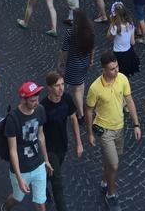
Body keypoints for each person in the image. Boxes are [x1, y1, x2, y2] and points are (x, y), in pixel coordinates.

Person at [85, 51, 142, 210]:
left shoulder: (122, 79)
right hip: (104, 130)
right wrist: (89, 133)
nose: (116, 71)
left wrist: (136, 124)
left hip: (120, 128)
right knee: (114, 165)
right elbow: (89, 111)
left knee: (111, 161)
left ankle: (105, 181)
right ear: (104, 70)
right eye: (112, 69)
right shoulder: (95, 88)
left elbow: (129, 100)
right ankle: (110, 194)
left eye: (117, 67)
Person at [1, 81, 52, 211]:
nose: (36, 103)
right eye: (32, 101)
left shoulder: (40, 110)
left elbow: (41, 136)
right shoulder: (13, 119)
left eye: (37, 99)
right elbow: (12, 150)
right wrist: (19, 177)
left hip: (38, 163)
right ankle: (5, 208)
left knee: (41, 202)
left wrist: (46, 160)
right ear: (23, 100)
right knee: (17, 198)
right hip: (22, 168)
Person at [41, 71, 83, 211]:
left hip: (63, 145)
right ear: (49, 87)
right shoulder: (43, 107)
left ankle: (41, 185)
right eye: (57, 85)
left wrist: (79, 143)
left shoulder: (67, 99)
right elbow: (39, 133)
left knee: (52, 173)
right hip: (49, 148)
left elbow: (73, 119)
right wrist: (45, 155)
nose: (61, 88)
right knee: (58, 183)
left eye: (62, 84)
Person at [57, 9, 95, 121]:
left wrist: (61, 62)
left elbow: (64, 50)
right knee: (81, 84)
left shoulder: (71, 32)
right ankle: (81, 105)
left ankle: (81, 115)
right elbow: (93, 47)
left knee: (77, 89)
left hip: (74, 64)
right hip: (85, 63)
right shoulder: (90, 31)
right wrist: (91, 59)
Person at [107, 2, 139, 78]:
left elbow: (108, 38)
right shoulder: (130, 24)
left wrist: (111, 24)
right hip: (129, 53)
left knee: (117, 75)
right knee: (125, 76)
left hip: (118, 55)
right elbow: (132, 42)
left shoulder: (115, 27)